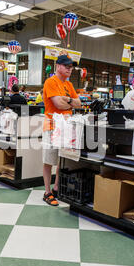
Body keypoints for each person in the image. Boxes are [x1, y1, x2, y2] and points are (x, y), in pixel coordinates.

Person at [42, 54, 82, 206]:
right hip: (52, 126)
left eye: (71, 67)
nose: (70, 69)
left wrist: (69, 101)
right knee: (49, 160)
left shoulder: (69, 85)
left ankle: (57, 187)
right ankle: (47, 192)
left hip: (66, 126)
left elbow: (79, 103)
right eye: (67, 66)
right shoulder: (50, 82)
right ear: (58, 66)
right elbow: (58, 104)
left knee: (61, 160)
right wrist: (71, 103)